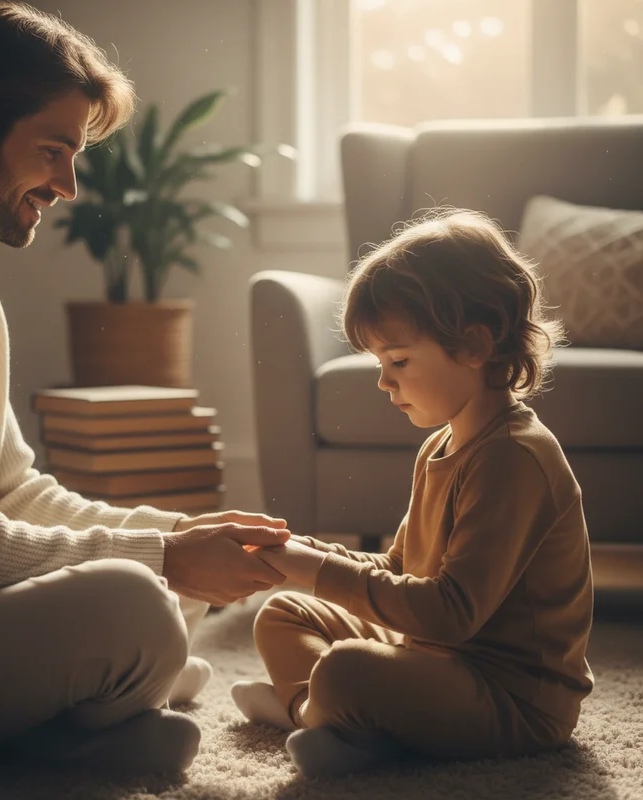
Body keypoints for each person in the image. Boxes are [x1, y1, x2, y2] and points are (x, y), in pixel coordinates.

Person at [0, 1, 291, 774]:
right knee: (138, 603)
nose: (69, 185)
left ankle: (77, 723)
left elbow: (14, 493)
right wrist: (162, 559)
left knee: (157, 585)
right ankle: (83, 719)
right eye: (53, 150)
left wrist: (180, 536)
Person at [231, 209, 594, 778]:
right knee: (282, 612)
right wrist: (303, 555)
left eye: (397, 360)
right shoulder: (443, 445)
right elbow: (402, 567)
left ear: (475, 345)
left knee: (345, 669)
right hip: (431, 653)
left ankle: (313, 711)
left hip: (513, 700)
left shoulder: (513, 459)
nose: (383, 381)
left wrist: (316, 568)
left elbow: (449, 614)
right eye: (379, 362)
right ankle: (327, 718)